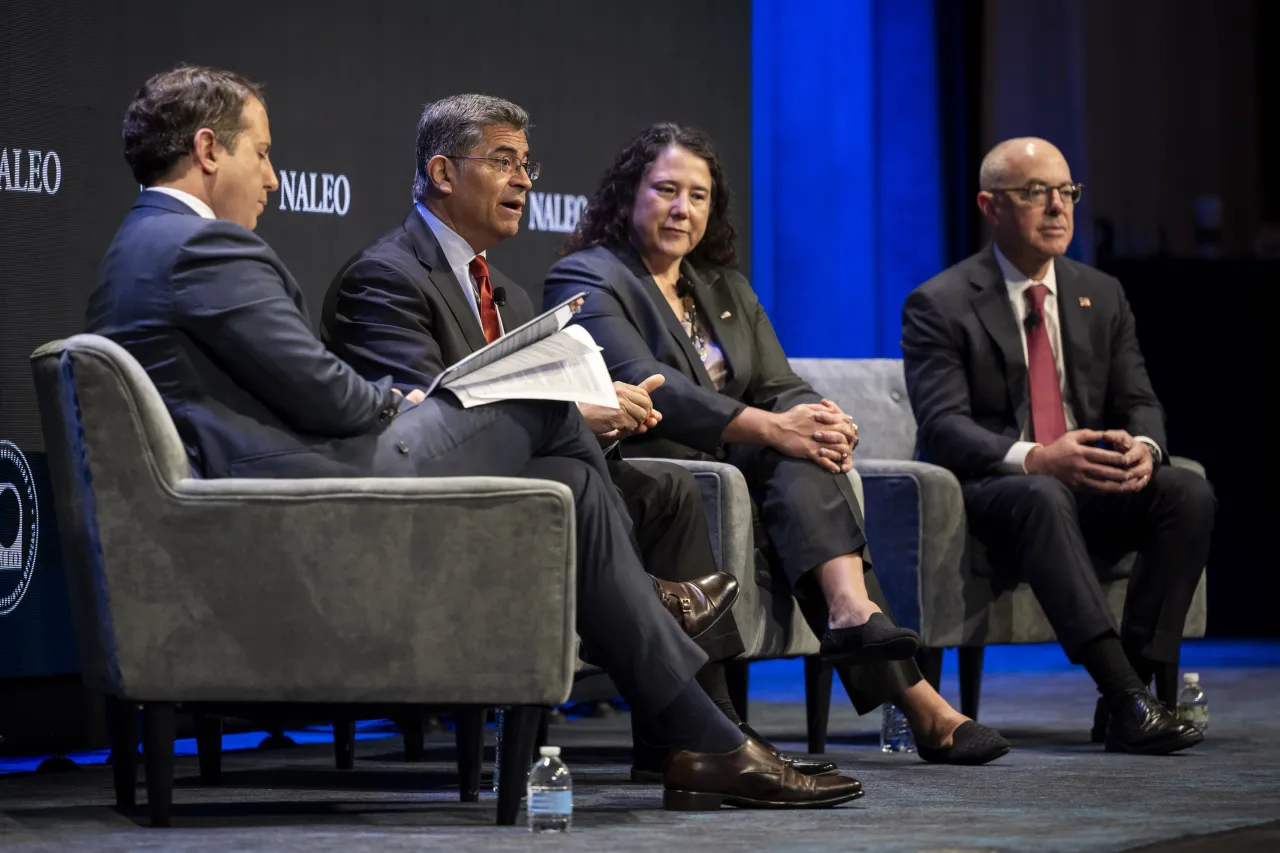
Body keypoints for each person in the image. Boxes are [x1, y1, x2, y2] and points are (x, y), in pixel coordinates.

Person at [84, 65, 863, 809]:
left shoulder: (140, 243)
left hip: (275, 474)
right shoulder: (205, 247)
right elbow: (326, 394)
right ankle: (697, 714)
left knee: (579, 476)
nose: (274, 176)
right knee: (547, 405)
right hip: (313, 484)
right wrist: (411, 400)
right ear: (208, 149)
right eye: (262, 152)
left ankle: (704, 736)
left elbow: (292, 385)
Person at [321, 94, 836, 782]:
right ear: (443, 173)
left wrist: (598, 415)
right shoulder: (384, 277)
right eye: (504, 162)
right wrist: (575, 406)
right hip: (441, 500)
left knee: (670, 489)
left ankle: (687, 736)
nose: (525, 181)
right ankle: (704, 725)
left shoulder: (506, 291)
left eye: (528, 164)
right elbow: (433, 422)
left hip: (532, 476)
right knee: (583, 477)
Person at [544, 122, 1009, 765]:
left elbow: (779, 383)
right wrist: (774, 427)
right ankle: (914, 695)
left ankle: (854, 616)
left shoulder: (722, 287)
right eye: (666, 190)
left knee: (802, 452)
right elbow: (650, 389)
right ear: (628, 195)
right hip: (663, 459)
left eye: (699, 196)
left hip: (740, 462)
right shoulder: (589, 276)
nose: (683, 208)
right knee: (785, 447)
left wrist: (815, 419)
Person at [899, 137, 1213, 755]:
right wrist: (1037, 456)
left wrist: (1144, 447)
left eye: (1066, 191)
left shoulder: (1102, 293)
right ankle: (1123, 692)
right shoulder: (939, 302)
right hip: (995, 494)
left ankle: (1135, 690)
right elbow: (943, 427)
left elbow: (1140, 399)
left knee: (1187, 491)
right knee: (1042, 493)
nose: (1057, 207)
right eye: (1035, 193)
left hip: (1087, 485)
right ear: (991, 206)